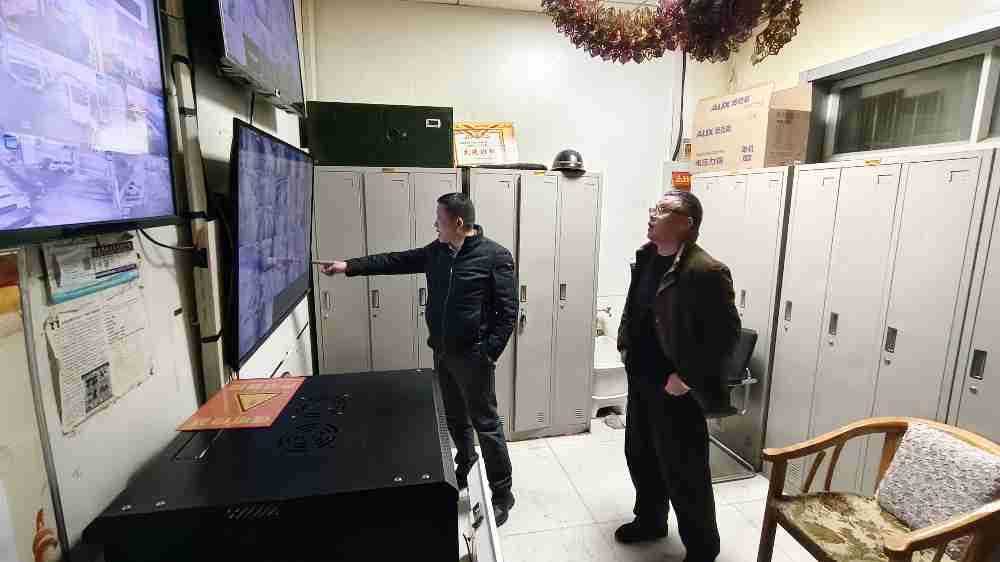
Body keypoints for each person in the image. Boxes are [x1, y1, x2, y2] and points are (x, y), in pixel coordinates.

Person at [321, 192, 518, 526]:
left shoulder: (494, 256)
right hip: (443, 353)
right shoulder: (436, 252)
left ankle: (502, 494)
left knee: (486, 424)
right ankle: (466, 463)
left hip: (474, 358)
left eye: (439, 219)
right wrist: (348, 266)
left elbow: (508, 311)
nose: (435, 225)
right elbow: (395, 261)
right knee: (455, 418)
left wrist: (487, 353)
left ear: (458, 222)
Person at [615, 190, 740, 562]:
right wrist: (624, 343)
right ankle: (651, 520)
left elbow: (726, 337)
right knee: (641, 456)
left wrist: (686, 378)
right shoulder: (647, 256)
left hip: (676, 389)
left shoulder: (705, 271)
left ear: (686, 223)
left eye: (662, 210)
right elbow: (635, 308)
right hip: (641, 379)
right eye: (653, 207)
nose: (652, 214)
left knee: (684, 471)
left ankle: (702, 548)